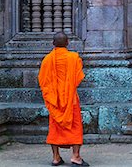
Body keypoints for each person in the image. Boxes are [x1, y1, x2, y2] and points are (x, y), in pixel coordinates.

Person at [38, 32, 89, 166]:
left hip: (54, 100)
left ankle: (56, 157)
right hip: (70, 99)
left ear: (53, 44)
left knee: (55, 126)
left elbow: (43, 81)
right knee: (75, 125)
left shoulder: (47, 60)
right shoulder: (74, 58)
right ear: (67, 43)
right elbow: (78, 78)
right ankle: (76, 156)